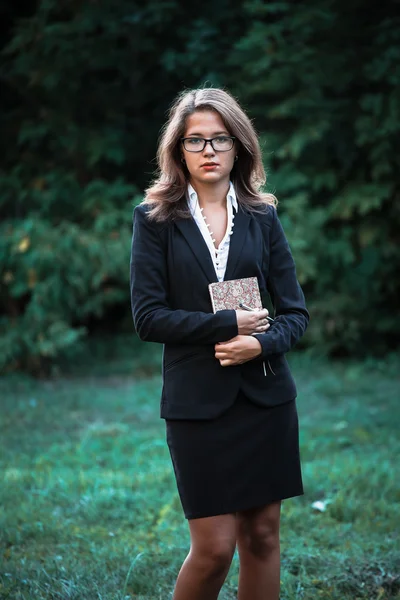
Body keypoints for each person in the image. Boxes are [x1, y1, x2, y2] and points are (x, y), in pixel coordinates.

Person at [130, 87, 309, 600]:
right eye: (195, 140)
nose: (208, 150)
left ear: (239, 147)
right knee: (213, 549)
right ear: (178, 150)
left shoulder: (263, 217)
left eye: (220, 139)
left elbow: (295, 313)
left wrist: (261, 345)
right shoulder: (154, 220)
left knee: (262, 536)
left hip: (265, 398)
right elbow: (147, 318)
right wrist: (228, 323)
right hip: (197, 403)